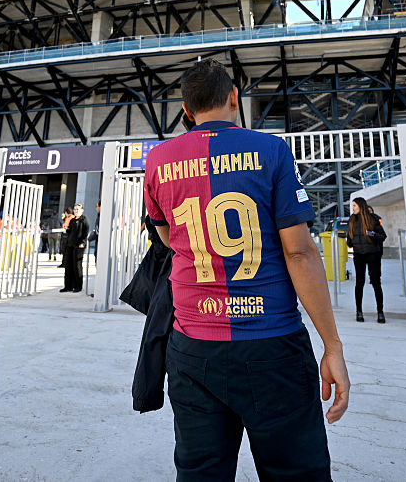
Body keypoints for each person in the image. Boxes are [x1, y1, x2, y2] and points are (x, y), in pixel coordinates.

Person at [143, 58, 349, 480]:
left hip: (192, 345)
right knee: (297, 472)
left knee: (201, 472)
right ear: (234, 97)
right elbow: (300, 253)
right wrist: (332, 346)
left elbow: (166, 237)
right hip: (272, 344)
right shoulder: (271, 150)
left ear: (186, 110)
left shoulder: (158, 160)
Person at [346, 197, 387, 323]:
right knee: (359, 282)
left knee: (376, 282)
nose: (352, 208)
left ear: (361, 206)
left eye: (354, 205)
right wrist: (350, 241)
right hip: (358, 254)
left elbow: (383, 236)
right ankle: (359, 311)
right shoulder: (352, 220)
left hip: (372, 253)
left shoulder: (373, 218)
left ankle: (380, 312)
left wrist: (372, 234)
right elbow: (349, 239)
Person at [60, 203, 89, 293]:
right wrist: (66, 228)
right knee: (68, 266)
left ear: (82, 210)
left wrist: (83, 243)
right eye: (75, 209)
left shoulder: (84, 220)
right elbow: (70, 231)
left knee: (77, 266)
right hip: (70, 245)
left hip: (79, 246)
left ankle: (78, 286)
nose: (76, 211)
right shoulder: (72, 220)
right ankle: (68, 286)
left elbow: (85, 233)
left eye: (78, 209)